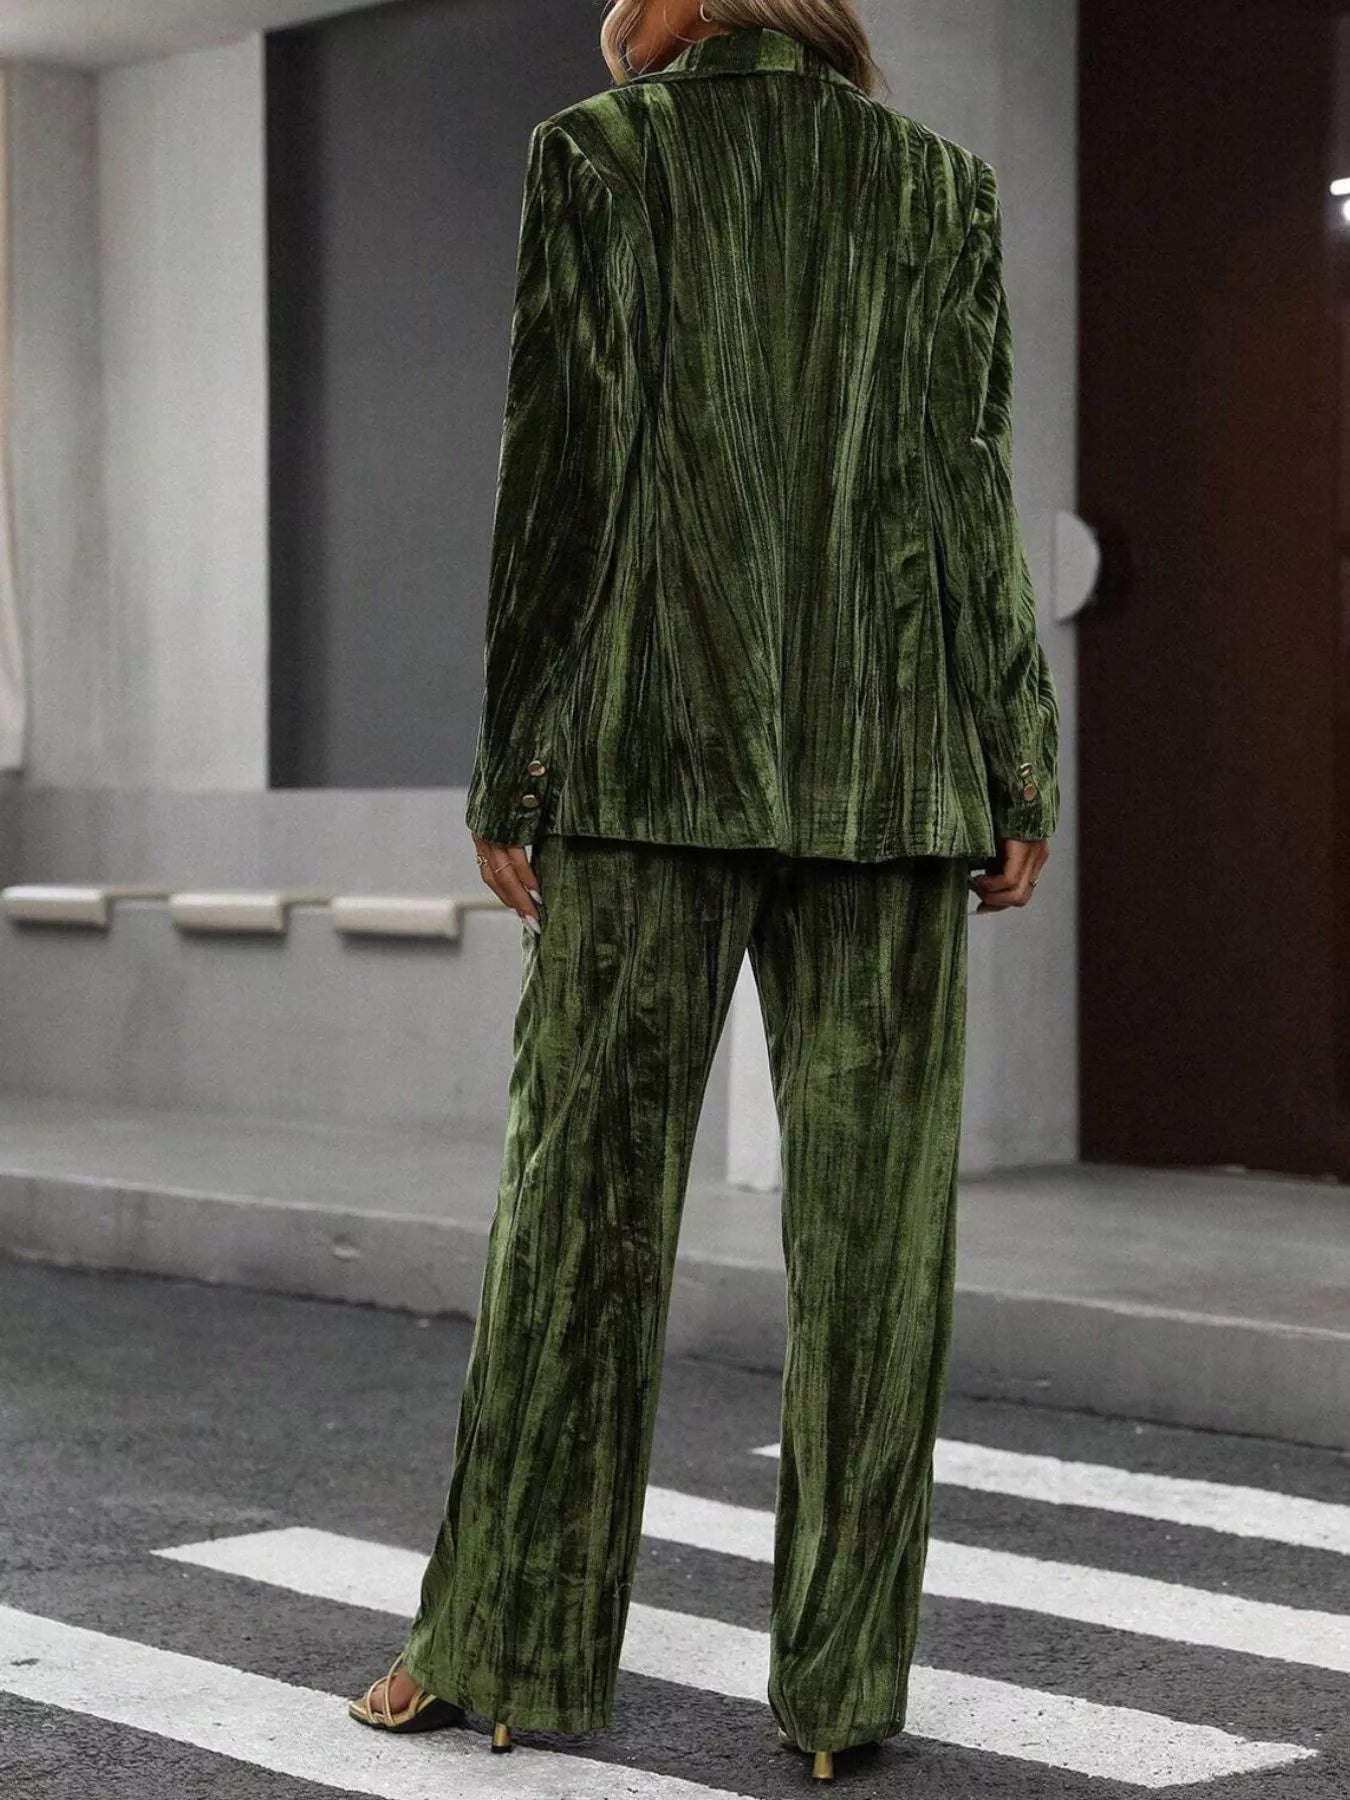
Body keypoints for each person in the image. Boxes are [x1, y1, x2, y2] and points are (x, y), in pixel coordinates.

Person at [349, 0, 1059, 1783]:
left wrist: (515, 759)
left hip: (642, 768)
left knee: (577, 1221)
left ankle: (502, 1648)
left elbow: (559, 471)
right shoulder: (939, 187)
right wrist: (1014, 758)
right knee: (876, 1254)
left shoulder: (596, 157)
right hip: (892, 775)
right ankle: (841, 1701)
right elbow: (969, 486)